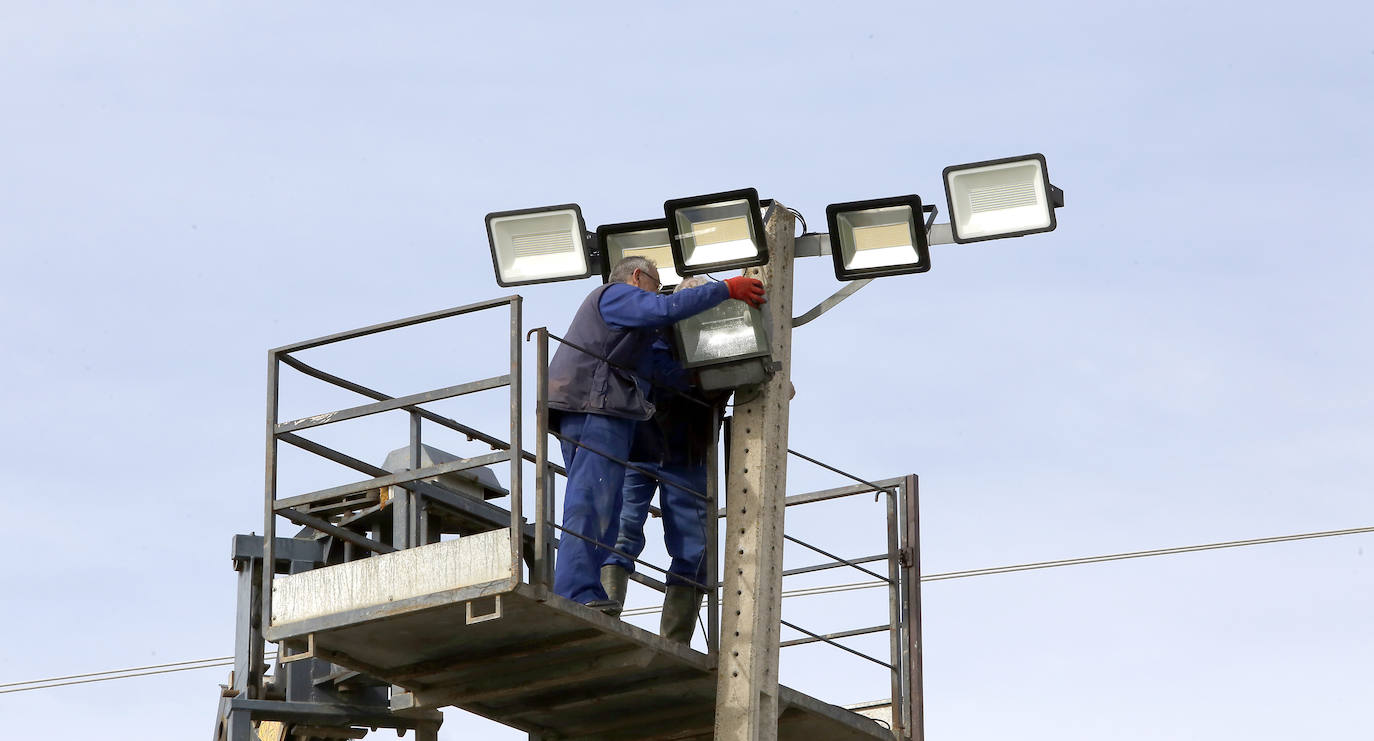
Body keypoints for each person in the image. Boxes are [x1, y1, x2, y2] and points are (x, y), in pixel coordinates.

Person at [548, 256, 765, 610]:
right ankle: (575, 591)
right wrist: (727, 289)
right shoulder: (616, 294)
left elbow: (663, 374)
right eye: (656, 286)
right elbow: (664, 310)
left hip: (608, 413)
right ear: (637, 277)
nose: (658, 294)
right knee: (591, 503)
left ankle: (588, 591)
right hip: (596, 409)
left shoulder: (635, 335)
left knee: (606, 507)